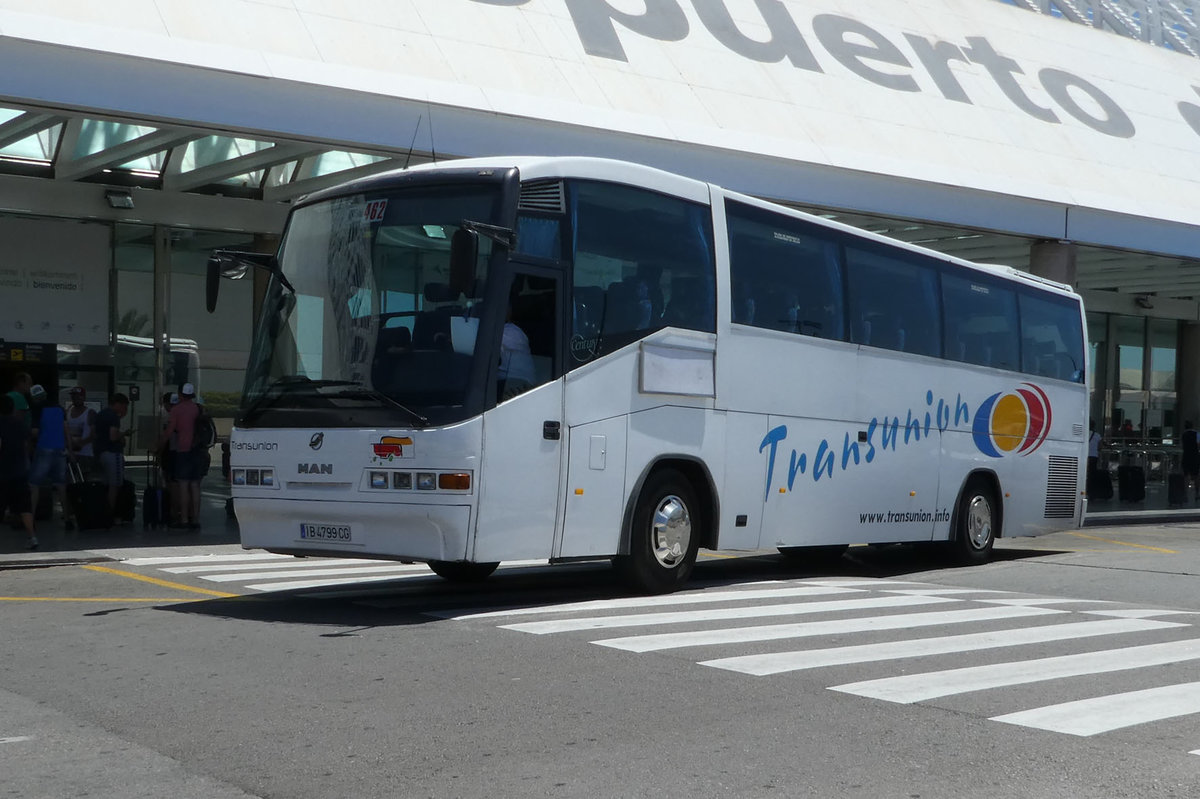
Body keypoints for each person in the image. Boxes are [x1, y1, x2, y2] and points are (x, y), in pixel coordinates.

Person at [27, 384, 73, 529]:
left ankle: (31, 519)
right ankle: (67, 519)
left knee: (34, 485)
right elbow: (66, 430)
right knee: (61, 485)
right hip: (60, 450)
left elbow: (34, 432)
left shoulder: (36, 409)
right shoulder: (59, 409)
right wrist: (70, 450)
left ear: (34, 398)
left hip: (44, 449)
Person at [160, 382, 201, 530]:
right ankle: (195, 518)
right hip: (197, 451)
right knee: (195, 485)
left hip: (183, 450)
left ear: (181, 394)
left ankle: (183, 519)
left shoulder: (176, 410)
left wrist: (159, 445)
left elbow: (169, 432)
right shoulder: (198, 408)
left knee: (183, 485)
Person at [0, 394, 36, 548]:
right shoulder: (20, 424)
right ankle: (32, 537)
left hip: (2, 472)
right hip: (20, 471)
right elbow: (28, 443)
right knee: (24, 508)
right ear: (12, 408)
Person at [94, 392, 131, 516]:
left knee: (106, 483)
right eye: (124, 407)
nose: (125, 410)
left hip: (100, 452)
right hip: (112, 452)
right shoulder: (113, 417)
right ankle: (110, 513)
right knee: (114, 485)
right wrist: (124, 434)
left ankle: (103, 511)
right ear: (119, 404)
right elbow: (113, 436)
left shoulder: (100, 414)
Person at [66, 386, 96, 478]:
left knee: (83, 478)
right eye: (73, 396)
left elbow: (93, 434)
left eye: (78, 396)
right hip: (70, 453)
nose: (76, 399)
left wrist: (80, 443)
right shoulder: (68, 411)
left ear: (83, 397)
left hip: (85, 454)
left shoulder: (90, 413)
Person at [1183, 421, 1199, 502]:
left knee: (1186, 475)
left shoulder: (1184, 434)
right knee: (1196, 475)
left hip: (1186, 456)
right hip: (1195, 456)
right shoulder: (1197, 434)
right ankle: (1197, 493)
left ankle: (1185, 494)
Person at [1087, 421, 1102, 485]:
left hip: (1085, 456)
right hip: (1094, 456)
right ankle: (1091, 485)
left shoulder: (1084, 434)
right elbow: (1099, 447)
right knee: (1092, 472)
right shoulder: (1097, 435)